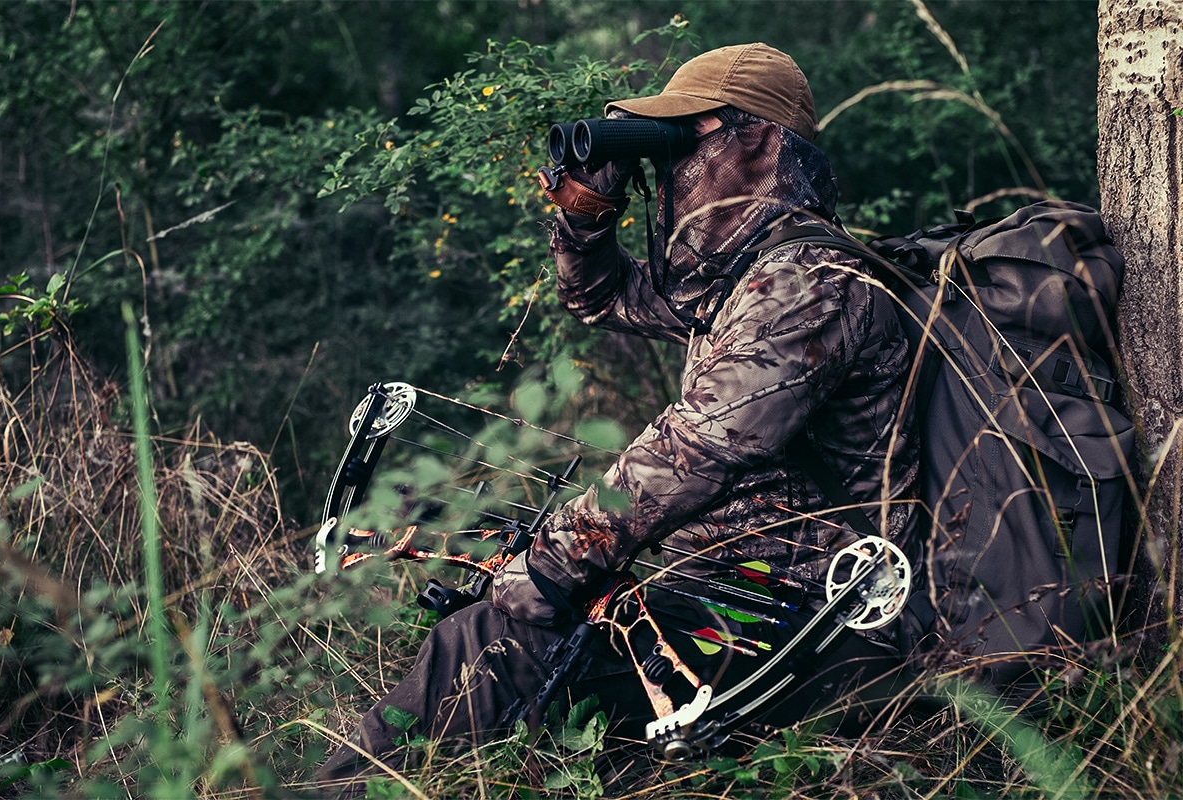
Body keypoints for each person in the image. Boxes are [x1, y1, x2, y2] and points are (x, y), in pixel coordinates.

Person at [319, 42, 919, 796]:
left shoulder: (808, 283)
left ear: (756, 145)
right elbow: (601, 299)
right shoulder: (747, 278)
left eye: (683, 141)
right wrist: (585, 215)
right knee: (502, 627)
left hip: (800, 620)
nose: (669, 171)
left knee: (486, 641)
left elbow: (703, 445)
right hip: (733, 589)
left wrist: (552, 564)